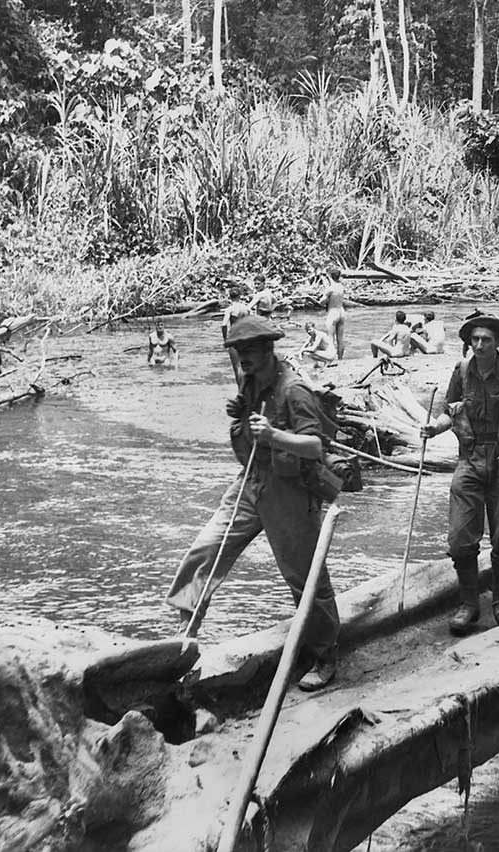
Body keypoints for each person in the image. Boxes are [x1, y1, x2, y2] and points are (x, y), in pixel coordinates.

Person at [165, 315, 341, 691]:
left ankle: (325, 655)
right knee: (206, 548)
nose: (242, 357)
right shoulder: (249, 378)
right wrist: (239, 412)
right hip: (249, 484)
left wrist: (274, 434)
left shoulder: (295, 390)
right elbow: (247, 417)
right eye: (238, 350)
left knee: (304, 577)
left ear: (267, 350)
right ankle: (184, 632)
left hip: (289, 493)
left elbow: (314, 446)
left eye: (248, 350)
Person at [420, 315, 499, 635]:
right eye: (474, 339)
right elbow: (451, 413)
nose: (478, 345)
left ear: (498, 343)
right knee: (460, 539)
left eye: (485, 340)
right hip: (470, 460)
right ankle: (469, 604)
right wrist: (434, 428)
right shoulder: (461, 372)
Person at [320, 267, 347, 359]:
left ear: (330, 276)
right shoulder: (341, 286)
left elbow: (322, 302)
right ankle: (340, 359)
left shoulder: (330, 289)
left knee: (330, 338)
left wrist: (322, 298)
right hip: (342, 312)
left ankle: (331, 358)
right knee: (340, 338)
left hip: (333, 313)